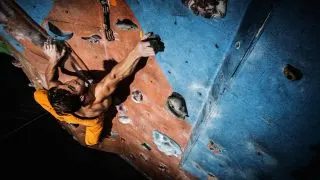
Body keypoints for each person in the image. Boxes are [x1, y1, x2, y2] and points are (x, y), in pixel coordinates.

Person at [34, 35, 156, 146]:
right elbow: (115, 76)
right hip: (90, 120)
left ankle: (61, 116)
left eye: (66, 84)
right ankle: (73, 124)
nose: (72, 81)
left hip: (65, 114)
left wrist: (53, 59)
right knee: (90, 142)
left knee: (37, 94)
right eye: (72, 87)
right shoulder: (96, 97)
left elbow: (50, 80)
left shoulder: (59, 95)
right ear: (82, 97)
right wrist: (137, 52)